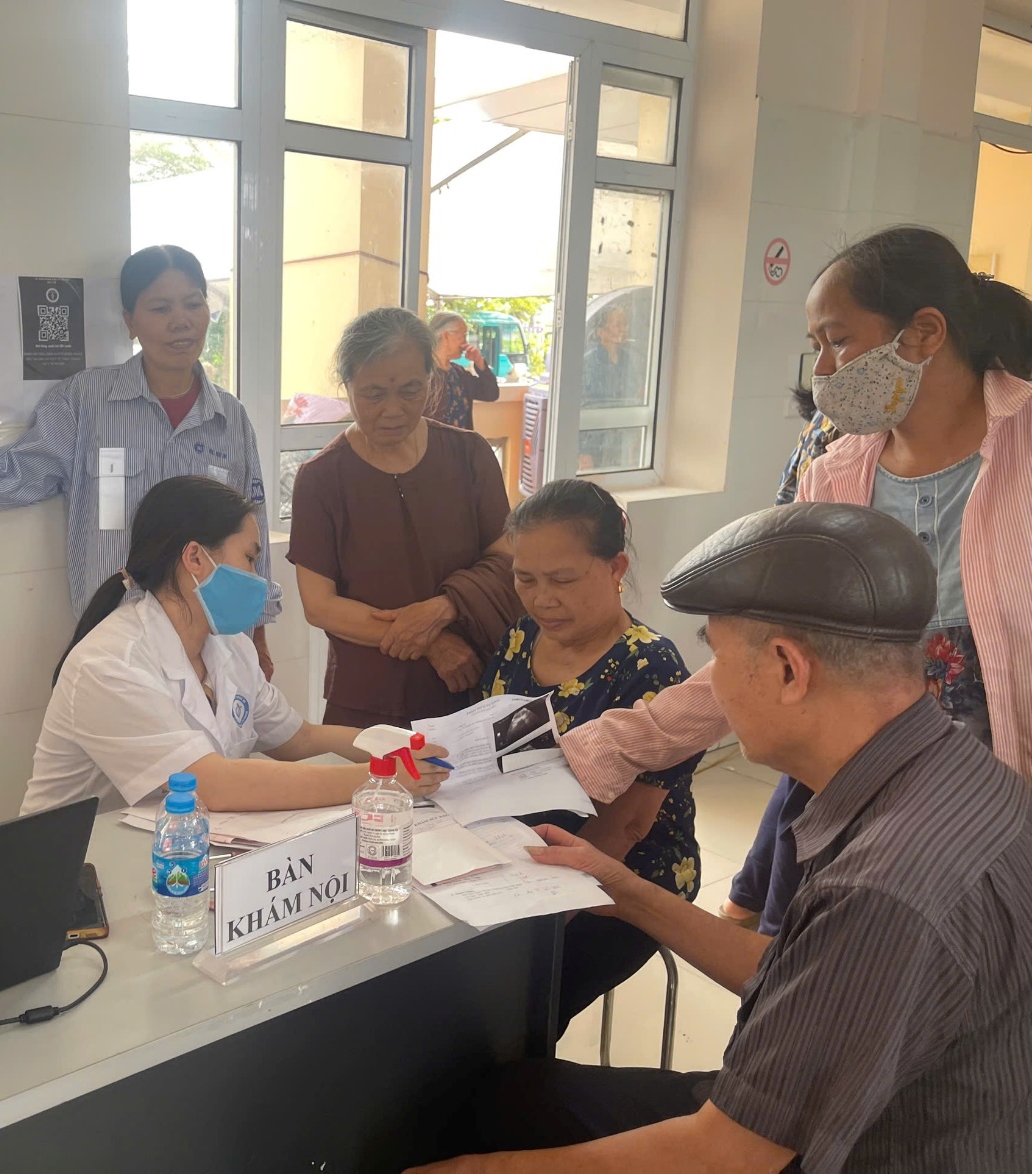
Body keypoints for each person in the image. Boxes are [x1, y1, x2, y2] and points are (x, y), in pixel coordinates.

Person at [409, 503, 1032, 1174]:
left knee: (481, 1121)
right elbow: (804, 978)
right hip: (889, 1111)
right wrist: (620, 888)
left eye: (717, 658)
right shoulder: (960, 777)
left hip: (864, 1149)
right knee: (517, 1097)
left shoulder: (883, 886)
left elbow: (724, 1155)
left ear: (789, 670)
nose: (709, 692)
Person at [556, 226, 1032, 940]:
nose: (823, 370)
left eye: (836, 341)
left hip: (1002, 812)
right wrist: (603, 749)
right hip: (868, 812)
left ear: (924, 332)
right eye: (815, 345)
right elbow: (761, 659)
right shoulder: (832, 477)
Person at [0, 244, 281, 678]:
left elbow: (251, 527)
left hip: (212, 643)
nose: (181, 321)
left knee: (214, 745)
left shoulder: (229, 418)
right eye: (160, 307)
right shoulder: (86, 401)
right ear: (130, 322)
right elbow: (20, 472)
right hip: (117, 639)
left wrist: (257, 635)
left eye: (194, 304)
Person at [22, 476, 447, 815]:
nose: (258, 578)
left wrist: (392, 746)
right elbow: (214, 785)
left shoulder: (228, 648)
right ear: (195, 559)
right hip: (81, 875)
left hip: (175, 858)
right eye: (249, 558)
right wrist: (380, 779)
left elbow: (298, 739)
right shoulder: (110, 664)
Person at [481, 480, 701, 1034]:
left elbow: (628, 824)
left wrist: (543, 916)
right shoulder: (522, 638)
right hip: (526, 845)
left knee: (511, 1005)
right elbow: (492, 748)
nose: (541, 599)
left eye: (562, 580)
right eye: (524, 579)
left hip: (626, 869)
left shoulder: (649, 666)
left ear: (615, 567)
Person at [289, 307, 523, 731]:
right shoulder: (321, 479)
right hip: (367, 697)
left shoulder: (469, 455)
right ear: (348, 386)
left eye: (411, 390)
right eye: (374, 394)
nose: (393, 410)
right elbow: (320, 605)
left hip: (470, 683)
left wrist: (444, 607)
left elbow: (506, 559)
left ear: (431, 381)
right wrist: (428, 639)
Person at [719, 396, 842, 929]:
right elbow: (783, 531)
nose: (826, 364)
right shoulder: (835, 446)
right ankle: (757, 922)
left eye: (837, 338)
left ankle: (756, 920)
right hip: (832, 676)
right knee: (801, 788)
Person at [425, 311, 500, 431]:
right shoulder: (424, 375)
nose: (465, 343)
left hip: (462, 448)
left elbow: (490, 393)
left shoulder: (458, 373)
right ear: (445, 336)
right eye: (462, 336)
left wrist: (479, 362)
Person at [581, 304, 642, 408]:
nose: (623, 329)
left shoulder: (626, 358)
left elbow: (634, 391)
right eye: (618, 325)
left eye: (625, 324)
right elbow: (587, 401)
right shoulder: (589, 362)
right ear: (601, 332)